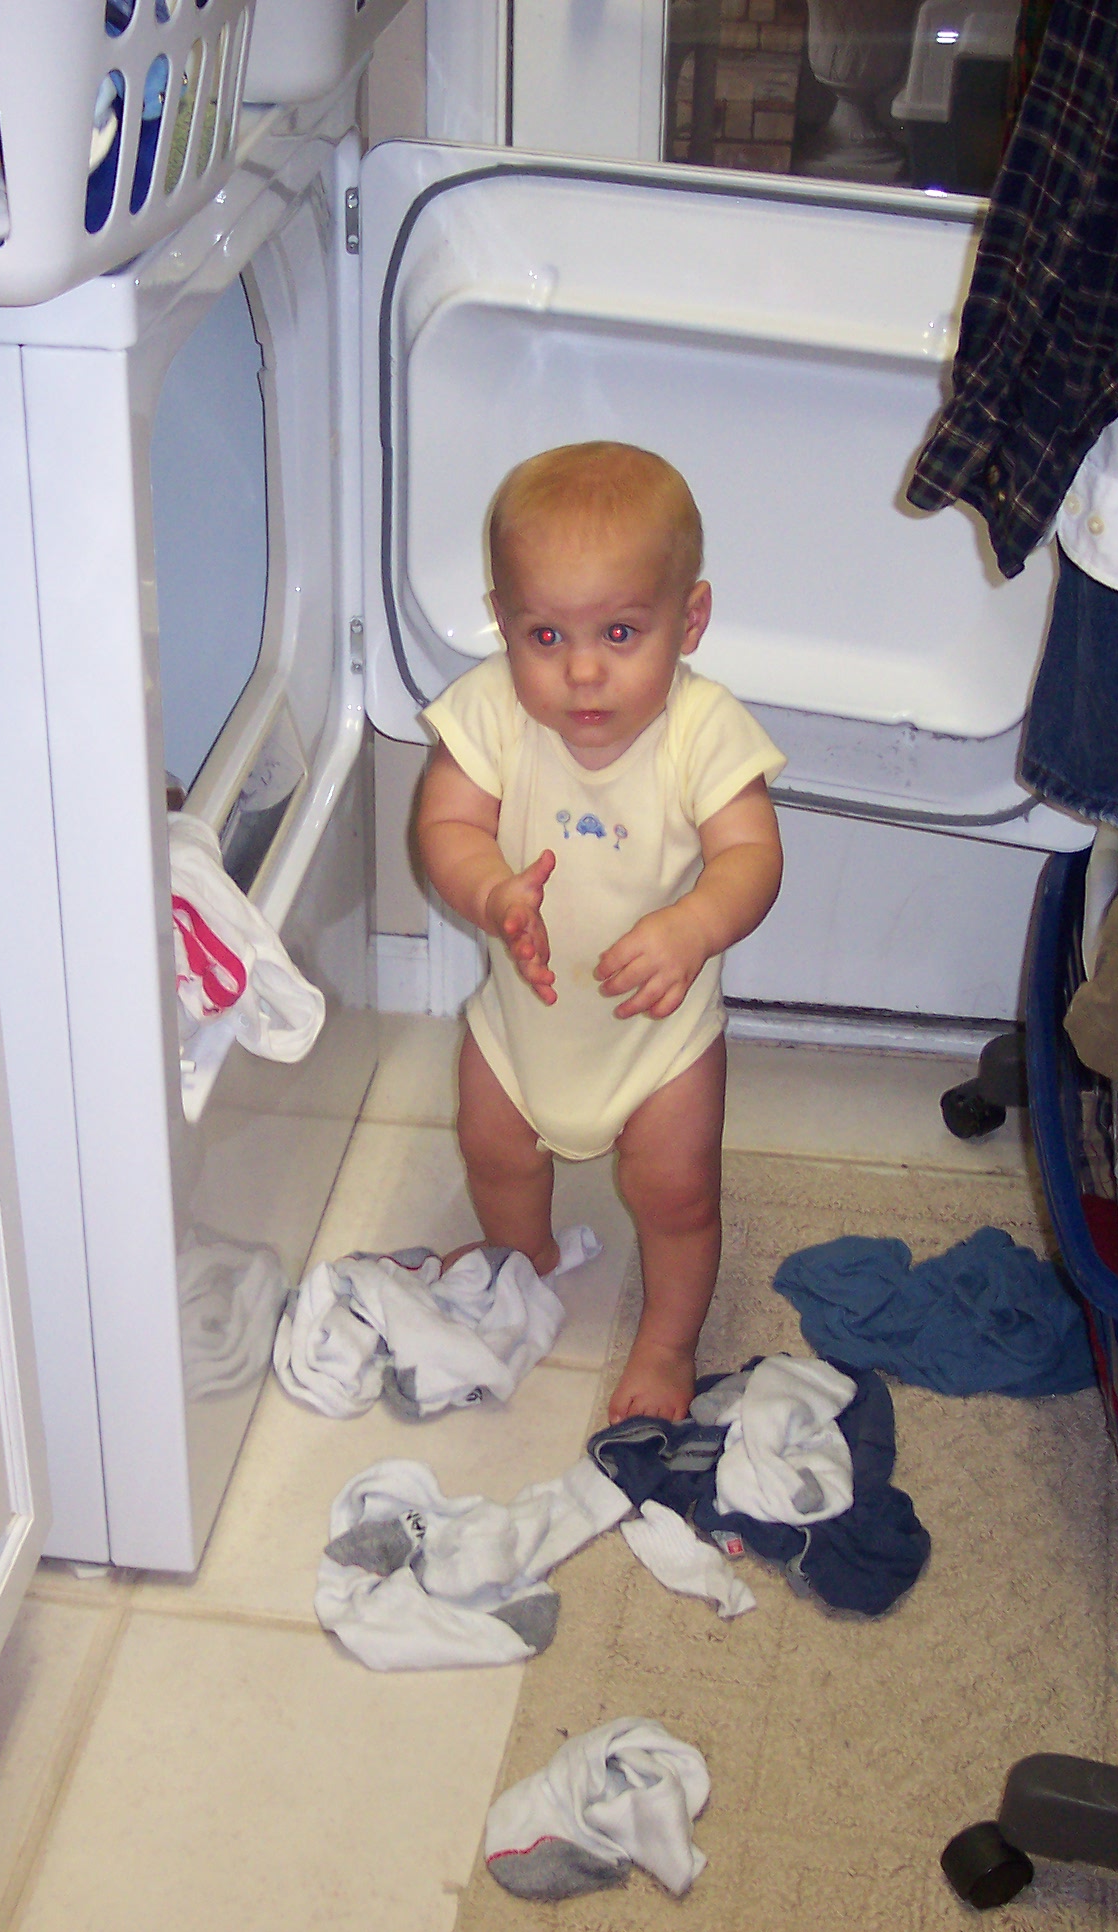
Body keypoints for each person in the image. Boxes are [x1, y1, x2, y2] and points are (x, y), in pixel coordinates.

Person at [416, 442, 786, 1423]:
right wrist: (493, 892)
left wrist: (693, 925)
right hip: (522, 1024)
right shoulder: (490, 710)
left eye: (621, 632)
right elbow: (445, 825)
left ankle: (667, 1343)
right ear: (502, 622)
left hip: (658, 1038)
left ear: (689, 621)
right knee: (494, 1150)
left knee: (677, 1196)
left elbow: (753, 855)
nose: (582, 671)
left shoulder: (703, 729)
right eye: (544, 636)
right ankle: (524, 1253)